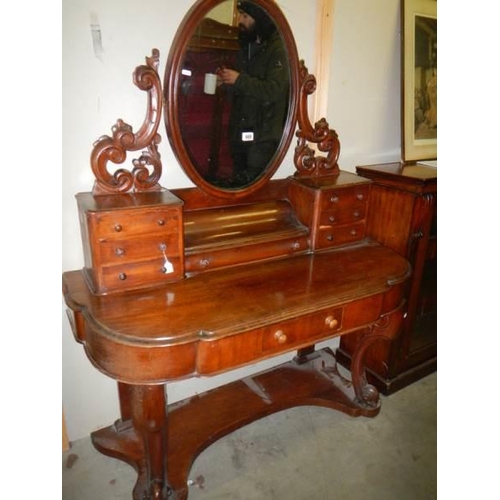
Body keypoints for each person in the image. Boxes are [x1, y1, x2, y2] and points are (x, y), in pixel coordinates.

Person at [218, 0, 290, 186]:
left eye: (244, 16)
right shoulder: (247, 46)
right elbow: (243, 93)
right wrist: (226, 83)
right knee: (238, 192)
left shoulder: (278, 48)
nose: (239, 21)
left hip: (263, 138)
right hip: (240, 135)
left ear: (258, 18)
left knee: (255, 196)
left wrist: (239, 79)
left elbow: (273, 91)